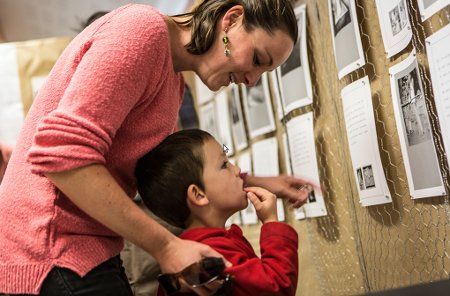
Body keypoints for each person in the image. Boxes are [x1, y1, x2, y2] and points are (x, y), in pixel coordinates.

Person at [0, 1, 309, 295]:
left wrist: (256, 182)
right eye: (257, 60)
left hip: (86, 246)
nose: (252, 80)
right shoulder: (141, 31)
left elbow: (175, 171)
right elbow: (61, 154)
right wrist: (166, 247)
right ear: (231, 20)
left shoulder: (172, 82)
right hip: (52, 246)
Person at [135, 129, 299, 296]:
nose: (237, 169)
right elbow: (278, 287)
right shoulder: (211, 253)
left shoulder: (204, 244)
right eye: (224, 165)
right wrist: (271, 222)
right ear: (198, 195)